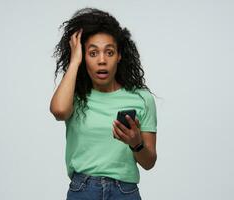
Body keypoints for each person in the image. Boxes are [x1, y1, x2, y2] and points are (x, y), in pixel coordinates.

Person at [50, 7, 157, 200]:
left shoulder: (141, 99)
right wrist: (75, 61)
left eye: (109, 52)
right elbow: (58, 111)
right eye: (92, 53)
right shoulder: (75, 95)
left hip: (125, 192)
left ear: (119, 55)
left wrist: (136, 143)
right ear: (84, 57)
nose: (102, 60)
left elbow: (149, 162)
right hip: (83, 190)